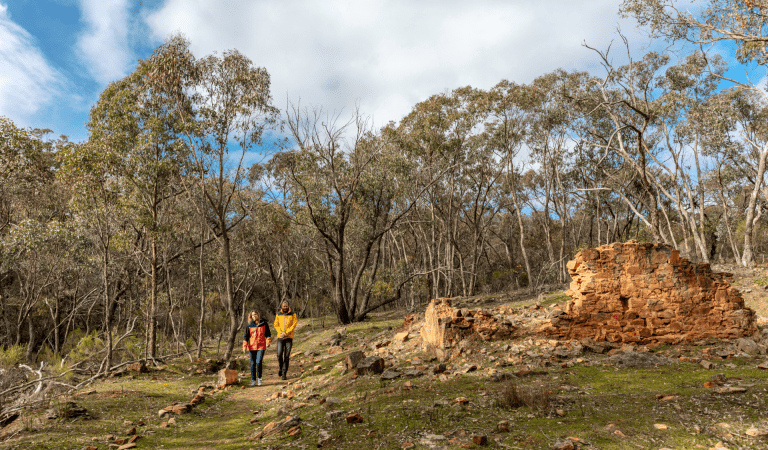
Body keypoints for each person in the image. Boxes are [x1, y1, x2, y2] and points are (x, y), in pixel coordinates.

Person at [242, 311, 271, 386]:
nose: (254, 316)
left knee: (258, 362)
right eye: (252, 315)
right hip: (251, 347)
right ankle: (253, 380)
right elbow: (246, 337)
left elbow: (268, 334)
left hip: (261, 346)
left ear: (258, 314)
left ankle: (259, 379)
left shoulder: (264, 324)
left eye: (255, 314)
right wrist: (244, 346)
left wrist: (268, 342)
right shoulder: (249, 326)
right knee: (252, 363)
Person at [273, 300, 297, 380]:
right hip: (280, 337)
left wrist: (286, 333)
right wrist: (281, 333)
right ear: (281, 306)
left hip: (289, 338)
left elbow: (294, 325)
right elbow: (276, 325)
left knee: (286, 356)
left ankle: (284, 373)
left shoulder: (293, 314)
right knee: (279, 354)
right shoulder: (278, 314)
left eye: (286, 306)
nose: (285, 307)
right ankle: (280, 368)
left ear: (288, 306)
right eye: (284, 306)